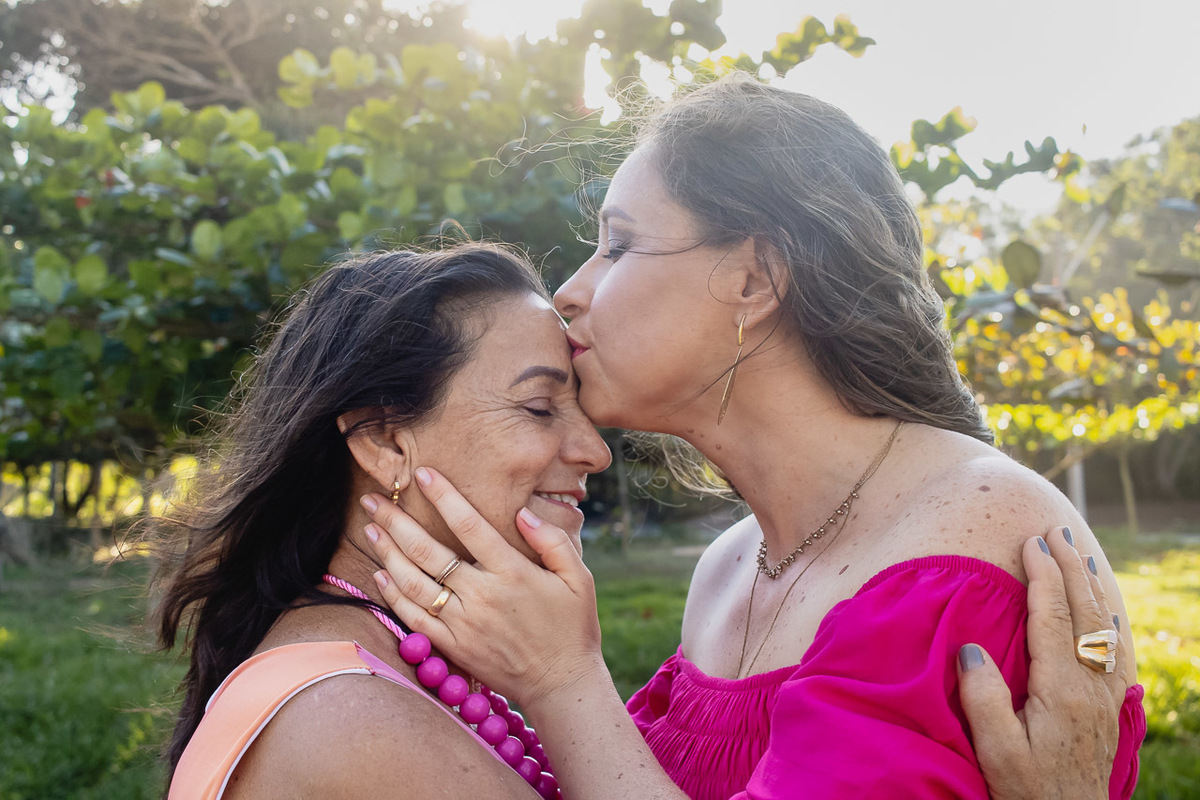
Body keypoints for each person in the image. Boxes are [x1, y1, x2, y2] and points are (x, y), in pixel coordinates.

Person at [360, 75, 1144, 799]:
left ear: (754, 279)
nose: (570, 291)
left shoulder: (968, 548)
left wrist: (563, 680)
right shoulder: (730, 564)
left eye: (622, 243)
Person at [153, 244, 613, 798]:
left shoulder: (372, 664)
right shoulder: (355, 719)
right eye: (540, 408)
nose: (595, 451)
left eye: (582, 409)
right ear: (383, 440)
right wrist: (567, 677)